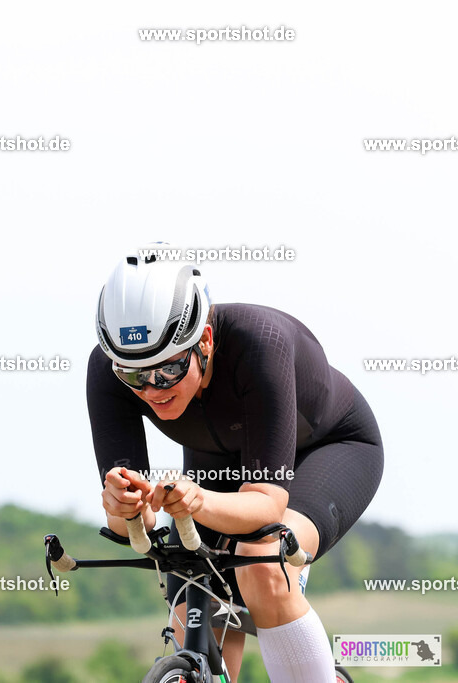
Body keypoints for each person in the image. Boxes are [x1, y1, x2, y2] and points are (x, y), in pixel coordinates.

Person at [87, 249, 383, 682]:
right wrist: (122, 505)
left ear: (204, 342)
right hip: (220, 461)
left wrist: (199, 500)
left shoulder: (260, 341)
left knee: (262, 563)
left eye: (167, 371)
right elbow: (138, 528)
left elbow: (264, 506)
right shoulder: (107, 371)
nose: (151, 389)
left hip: (328, 450)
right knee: (193, 592)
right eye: (134, 375)